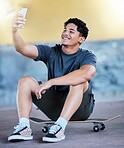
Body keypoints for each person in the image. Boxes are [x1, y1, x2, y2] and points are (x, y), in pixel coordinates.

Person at [8, 11, 96, 143]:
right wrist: (14, 31)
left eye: (71, 31)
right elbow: (23, 48)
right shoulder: (51, 52)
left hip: (80, 110)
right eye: (65, 29)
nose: (65, 33)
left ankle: (60, 127)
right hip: (55, 107)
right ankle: (24, 127)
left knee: (79, 82)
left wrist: (51, 82)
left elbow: (87, 73)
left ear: (81, 39)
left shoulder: (87, 56)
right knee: (25, 81)